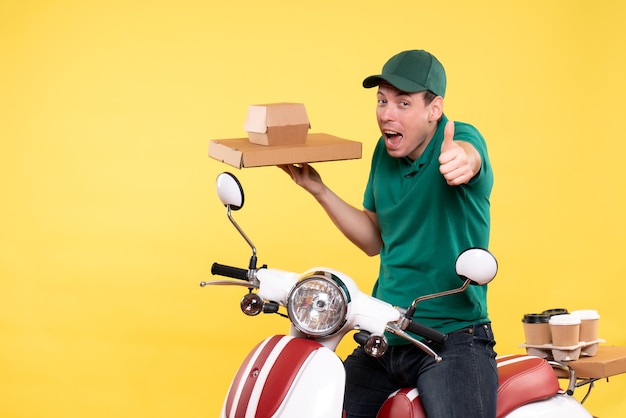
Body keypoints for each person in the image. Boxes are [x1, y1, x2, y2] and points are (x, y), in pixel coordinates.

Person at [280, 49, 496, 418]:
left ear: (434, 109)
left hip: (453, 338)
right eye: (382, 100)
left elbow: (469, 156)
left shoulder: (458, 137)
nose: (386, 113)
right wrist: (318, 188)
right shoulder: (385, 151)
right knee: (318, 405)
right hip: (385, 331)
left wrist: (464, 160)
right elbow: (373, 240)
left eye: (402, 102)